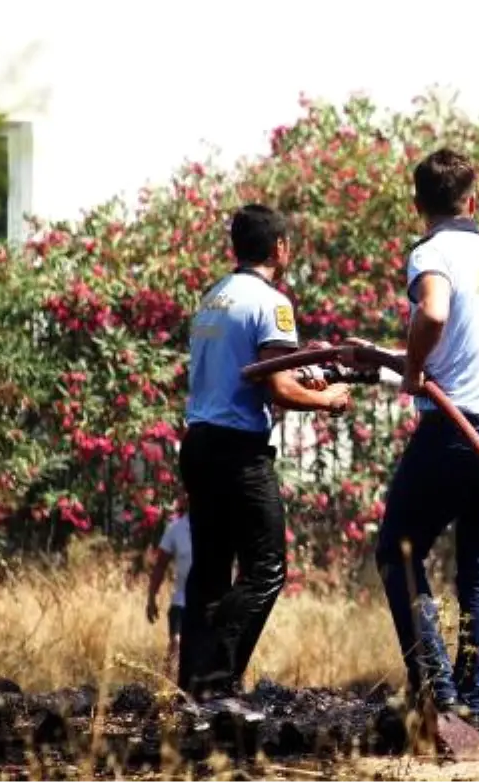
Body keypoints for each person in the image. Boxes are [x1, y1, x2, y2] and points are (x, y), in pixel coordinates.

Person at [371, 148, 479, 733]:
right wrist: (390, 358)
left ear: (418, 204)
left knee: (397, 550)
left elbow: (434, 315)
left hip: (458, 432)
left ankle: (438, 693)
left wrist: (411, 372)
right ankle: (476, 707)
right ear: (473, 198)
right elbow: (467, 344)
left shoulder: (431, 251)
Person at [179, 203, 353, 715]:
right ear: (280, 248)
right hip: (239, 453)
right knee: (266, 568)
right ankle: (220, 685)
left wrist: (307, 373)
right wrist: (328, 399)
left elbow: (250, 371)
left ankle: (195, 692)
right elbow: (276, 386)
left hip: (200, 444)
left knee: (209, 571)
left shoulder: (213, 298)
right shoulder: (272, 303)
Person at [146, 511, 192, 681]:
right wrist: (151, 598)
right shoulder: (176, 529)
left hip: (211, 604)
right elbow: (160, 566)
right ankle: (166, 690)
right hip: (181, 601)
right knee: (176, 644)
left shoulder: (220, 525)